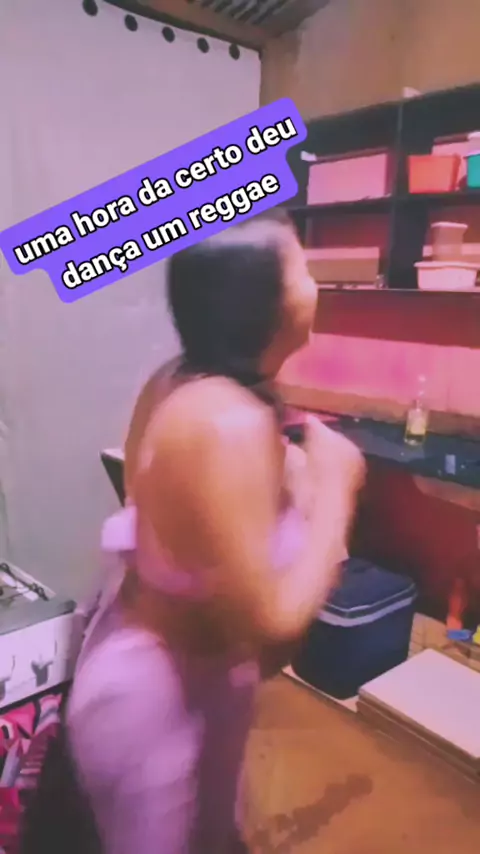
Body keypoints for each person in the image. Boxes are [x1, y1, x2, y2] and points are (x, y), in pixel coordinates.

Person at [21, 210, 365, 854]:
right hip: (156, 708)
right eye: (301, 268)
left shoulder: (188, 382)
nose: (315, 282)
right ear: (262, 300)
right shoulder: (225, 423)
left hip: (181, 689)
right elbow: (272, 630)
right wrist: (336, 491)